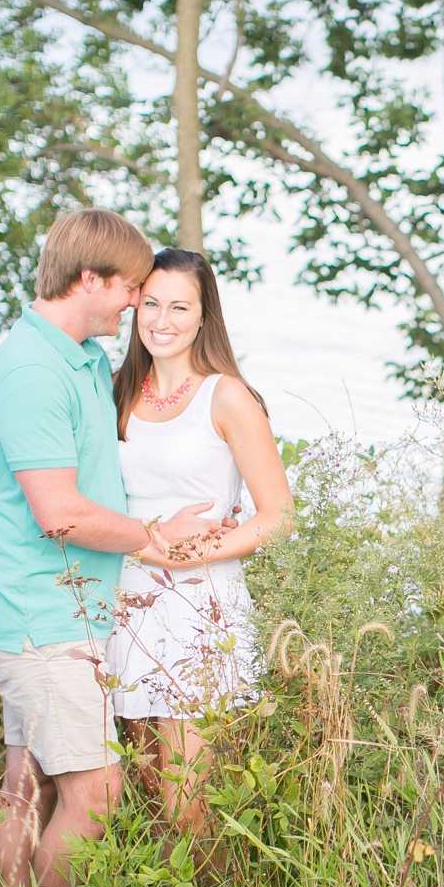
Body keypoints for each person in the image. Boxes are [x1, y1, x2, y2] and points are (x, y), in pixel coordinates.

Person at [0, 210, 226, 887]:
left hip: (56, 607)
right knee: (97, 791)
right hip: (39, 615)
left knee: (29, 785)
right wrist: (151, 534)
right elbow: (60, 513)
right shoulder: (30, 372)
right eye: (132, 287)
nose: (138, 302)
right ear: (90, 278)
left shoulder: (77, 357)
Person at [106, 247, 292, 834]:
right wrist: (149, 546)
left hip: (201, 610)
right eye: (152, 303)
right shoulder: (115, 392)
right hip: (125, 604)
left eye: (179, 306)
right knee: (145, 795)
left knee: (190, 801)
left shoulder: (227, 396)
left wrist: (188, 553)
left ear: (204, 315)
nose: (162, 320)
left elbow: (277, 515)